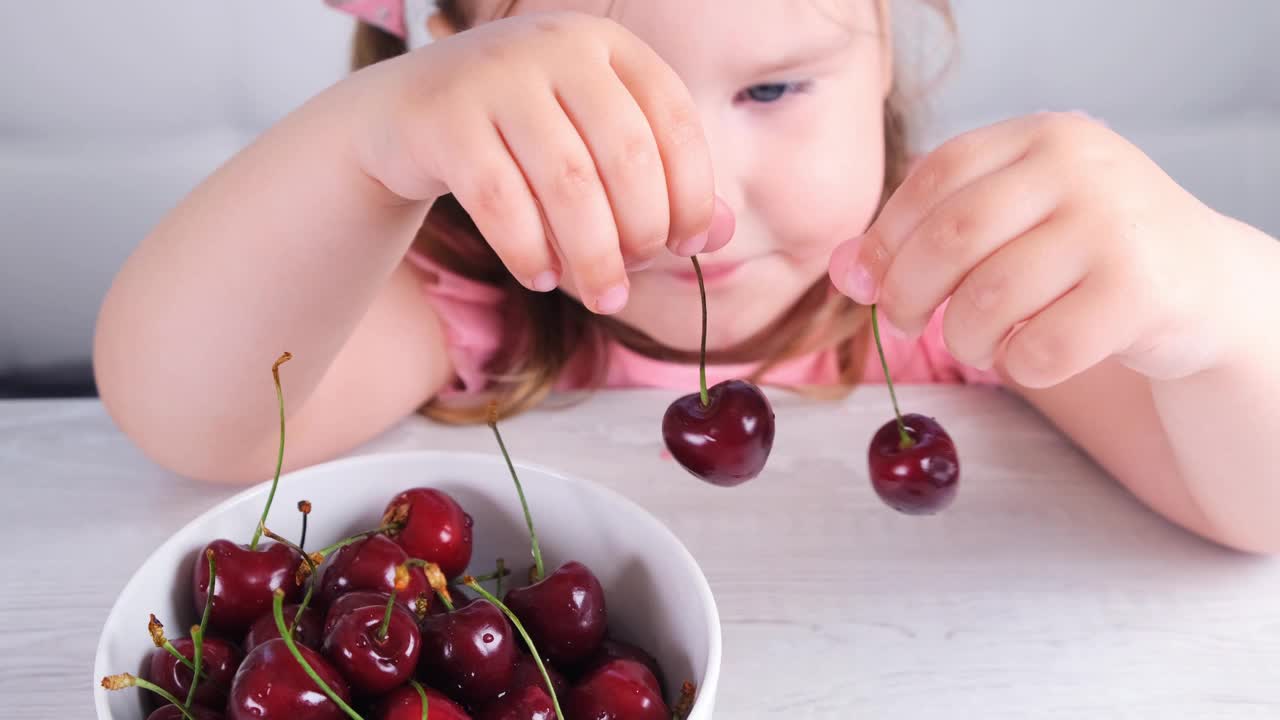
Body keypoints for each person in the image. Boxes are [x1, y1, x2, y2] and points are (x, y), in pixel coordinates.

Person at [93, 0, 1280, 553]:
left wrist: (1215, 299)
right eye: (586, 108)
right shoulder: (483, 303)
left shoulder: (956, 295)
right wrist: (370, 141)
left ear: (884, 54)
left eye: (770, 90)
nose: (694, 197)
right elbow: (195, 419)